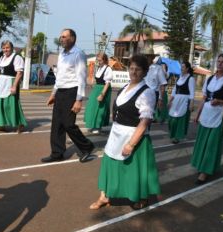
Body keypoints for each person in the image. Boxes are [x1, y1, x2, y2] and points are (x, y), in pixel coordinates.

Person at [89, 55, 160, 210]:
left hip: (134, 136)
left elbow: (145, 121)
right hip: (116, 134)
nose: (133, 72)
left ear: (145, 72)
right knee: (110, 164)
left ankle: (139, 196)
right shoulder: (125, 87)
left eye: (138, 69)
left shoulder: (147, 93)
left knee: (135, 171)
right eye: (131, 68)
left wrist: (131, 144)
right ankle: (104, 196)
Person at [41, 28, 94, 163]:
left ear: (73, 39)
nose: (62, 39)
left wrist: (78, 100)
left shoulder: (78, 54)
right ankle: (57, 153)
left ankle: (87, 147)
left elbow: (81, 78)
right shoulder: (62, 54)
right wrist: (53, 93)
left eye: (65, 37)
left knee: (69, 124)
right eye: (61, 37)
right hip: (60, 92)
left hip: (71, 92)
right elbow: (60, 77)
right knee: (57, 124)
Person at [191, 54, 223, 184]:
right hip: (206, 115)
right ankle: (202, 165)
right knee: (202, 142)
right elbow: (204, 98)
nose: (219, 64)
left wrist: (221, 102)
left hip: (219, 116)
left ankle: (205, 172)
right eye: (218, 61)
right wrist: (198, 114)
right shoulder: (210, 79)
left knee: (212, 144)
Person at [0, 40, 27, 133]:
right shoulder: (2, 58)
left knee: (12, 105)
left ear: (11, 48)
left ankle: (20, 124)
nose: (5, 50)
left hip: (10, 82)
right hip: (1, 83)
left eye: (7, 47)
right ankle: (1, 125)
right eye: (3, 48)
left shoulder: (16, 58)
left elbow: (19, 73)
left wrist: (14, 86)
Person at [84, 53, 112, 134]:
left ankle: (98, 126)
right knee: (91, 106)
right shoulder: (99, 68)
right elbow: (98, 79)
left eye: (100, 60)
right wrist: (93, 83)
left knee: (100, 108)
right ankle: (93, 125)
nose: (98, 62)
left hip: (103, 89)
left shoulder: (108, 69)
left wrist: (102, 94)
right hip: (97, 88)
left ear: (104, 60)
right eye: (97, 60)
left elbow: (107, 83)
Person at [168, 61, 195, 144]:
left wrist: (191, 103)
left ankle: (177, 137)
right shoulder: (179, 77)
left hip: (184, 101)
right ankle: (173, 134)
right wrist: (170, 100)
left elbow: (192, 92)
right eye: (181, 67)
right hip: (176, 100)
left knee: (180, 119)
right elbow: (174, 90)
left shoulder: (191, 78)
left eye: (183, 67)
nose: (181, 69)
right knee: (172, 119)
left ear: (187, 69)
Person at [144, 53, 168, 124]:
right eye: (146, 56)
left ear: (152, 57)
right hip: (142, 94)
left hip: (153, 94)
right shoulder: (142, 67)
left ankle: (145, 133)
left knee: (147, 116)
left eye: (148, 56)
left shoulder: (158, 68)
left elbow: (162, 84)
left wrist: (160, 98)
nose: (147, 58)